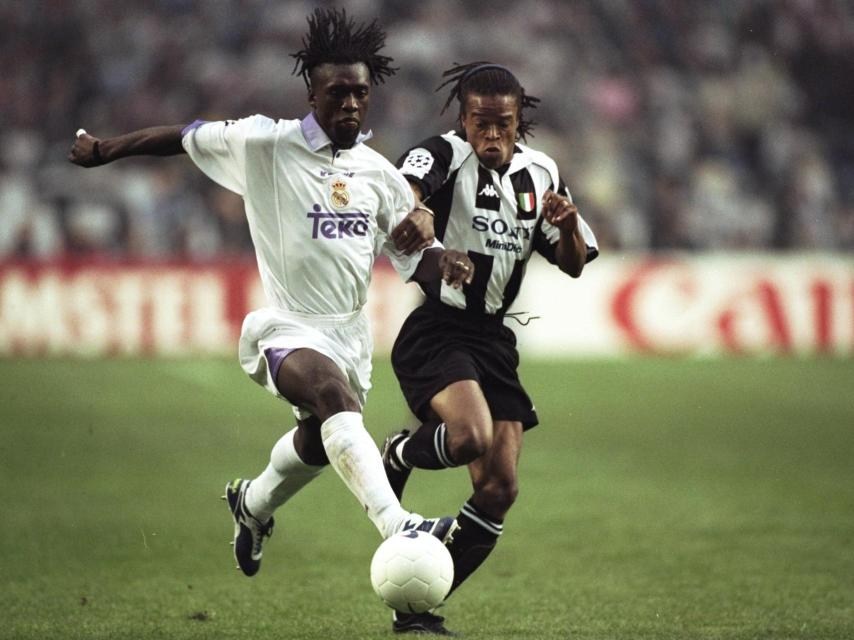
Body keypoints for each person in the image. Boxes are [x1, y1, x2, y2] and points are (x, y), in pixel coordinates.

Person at [68, 8, 475, 586]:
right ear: (311, 92)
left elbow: (414, 260)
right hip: (286, 324)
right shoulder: (265, 143)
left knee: (318, 439)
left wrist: (448, 259)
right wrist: (106, 149)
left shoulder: (379, 175)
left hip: (349, 334)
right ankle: (399, 525)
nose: (351, 105)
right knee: (333, 398)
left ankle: (252, 505)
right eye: (338, 92)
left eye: (361, 93)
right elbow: (183, 137)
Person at [380, 61, 599, 635]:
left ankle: (415, 607)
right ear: (463, 118)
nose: (493, 135)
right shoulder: (444, 154)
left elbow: (574, 264)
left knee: (499, 488)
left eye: (503, 124)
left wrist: (570, 225)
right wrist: (419, 210)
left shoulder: (541, 171)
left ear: (519, 119)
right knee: (470, 435)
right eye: (481, 123)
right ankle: (400, 452)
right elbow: (403, 189)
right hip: (439, 329)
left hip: (495, 339)